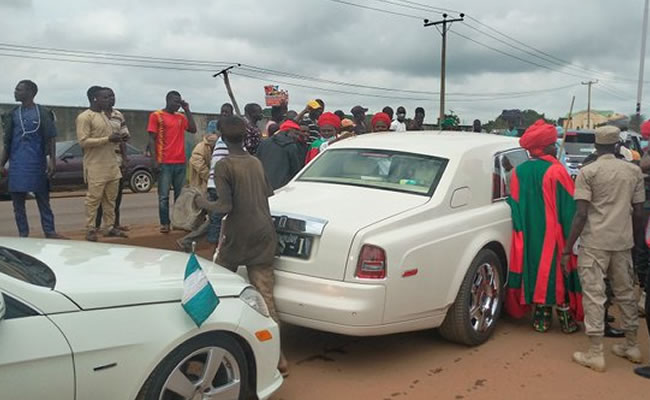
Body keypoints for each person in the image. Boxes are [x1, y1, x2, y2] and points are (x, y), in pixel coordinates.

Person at [194, 115, 288, 377]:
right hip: (263, 233)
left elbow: (224, 207)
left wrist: (202, 203)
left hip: (238, 235)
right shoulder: (255, 162)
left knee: (213, 288)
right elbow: (267, 194)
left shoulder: (224, 165)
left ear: (221, 137)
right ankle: (279, 358)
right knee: (266, 298)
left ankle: (204, 350)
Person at [563, 125, 644, 373]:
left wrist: (567, 248)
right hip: (622, 242)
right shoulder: (633, 171)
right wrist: (633, 240)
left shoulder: (589, 171)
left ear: (596, 146)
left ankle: (596, 352)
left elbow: (580, 214)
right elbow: (639, 212)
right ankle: (632, 346)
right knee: (626, 294)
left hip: (595, 243)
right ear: (618, 145)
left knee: (594, 295)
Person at [505, 119, 582, 333]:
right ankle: (566, 320)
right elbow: (569, 208)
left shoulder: (519, 172)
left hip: (528, 233)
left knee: (535, 269)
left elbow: (516, 204)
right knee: (559, 272)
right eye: (552, 143)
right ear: (544, 146)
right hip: (554, 234)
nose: (555, 146)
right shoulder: (557, 172)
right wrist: (571, 240)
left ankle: (541, 318)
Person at [0, 80, 65, 239]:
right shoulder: (13, 114)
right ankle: (24, 234)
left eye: (19, 89)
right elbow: (7, 143)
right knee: (18, 204)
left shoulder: (43, 112)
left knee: (43, 199)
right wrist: (1, 164)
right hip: (17, 165)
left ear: (30, 92)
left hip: (37, 164)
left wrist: (52, 161)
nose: (15, 92)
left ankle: (49, 231)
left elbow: (51, 138)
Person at [77, 86, 126, 241]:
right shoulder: (85, 117)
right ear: (95, 99)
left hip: (112, 164)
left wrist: (118, 139)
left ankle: (109, 227)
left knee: (110, 200)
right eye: (105, 98)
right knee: (93, 199)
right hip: (96, 165)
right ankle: (90, 228)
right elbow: (83, 141)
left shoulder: (106, 116)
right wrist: (107, 139)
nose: (109, 100)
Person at [147, 91, 197, 233]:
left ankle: (177, 222)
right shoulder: (156, 116)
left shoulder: (181, 117)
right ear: (168, 100)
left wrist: (187, 109)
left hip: (180, 161)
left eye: (179, 102)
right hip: (164, 162)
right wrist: (154, 160)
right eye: (175, 102)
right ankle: (164, 223)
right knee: (163, 196)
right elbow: (151, 139)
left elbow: (193, 129)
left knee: (179, 197)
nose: (177, 105)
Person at [95, 88, 130, 233]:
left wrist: (125, 158)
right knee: (98, 196)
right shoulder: (95, 116)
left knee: (115, 195)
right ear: (98, 99)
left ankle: (114, 224)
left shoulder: (118, 115)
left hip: (117, 159)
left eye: (112, 96)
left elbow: (124, 137)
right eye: (107, 96)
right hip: (100, 160)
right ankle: (95, 226)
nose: (111, 99)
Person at [176, 132, 218, 252]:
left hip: (207, 187)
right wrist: (209, 176)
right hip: (203, 187)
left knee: (212, 220)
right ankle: (188, 241)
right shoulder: (201, 148)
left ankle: (188, 241)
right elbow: (196, 162)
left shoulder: (209, 148)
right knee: (213, 220)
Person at [256, 120, 304, 190]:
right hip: (283, 188)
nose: (297, 137)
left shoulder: (264, 143)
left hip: (263, 186)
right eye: (296, 134)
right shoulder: (290, 146)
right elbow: (295, 170)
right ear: (287, 132)